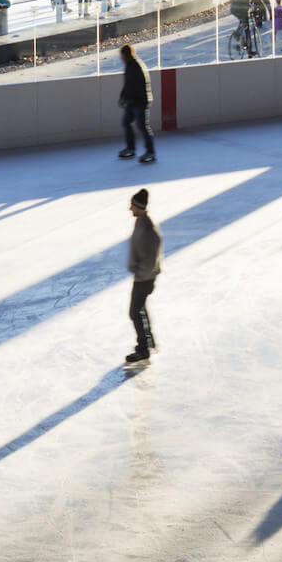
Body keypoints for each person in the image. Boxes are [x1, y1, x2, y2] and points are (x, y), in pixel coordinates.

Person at [124, 188, 162, 368]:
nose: (130, 208)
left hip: (144, 279)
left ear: (139, 207)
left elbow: (152, 254)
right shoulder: (140, 222)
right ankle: (148, 343)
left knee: (135, 312)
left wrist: (141, 274)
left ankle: (143, 349)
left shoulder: (148, 229)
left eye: (132, 205)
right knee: (139, 311)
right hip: (142, 277)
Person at [118, 42, 156, 163]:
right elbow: (127, 84)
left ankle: (150, 152)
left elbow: (138, 86)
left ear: (126, 55)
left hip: (140, 101)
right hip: (132, 101)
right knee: (126, 122)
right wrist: (123, 97)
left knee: (142, 126)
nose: (121, 58)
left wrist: (128, 98)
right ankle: (131, 148)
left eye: (122, 55)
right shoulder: (129, 65)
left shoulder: (136, 66)